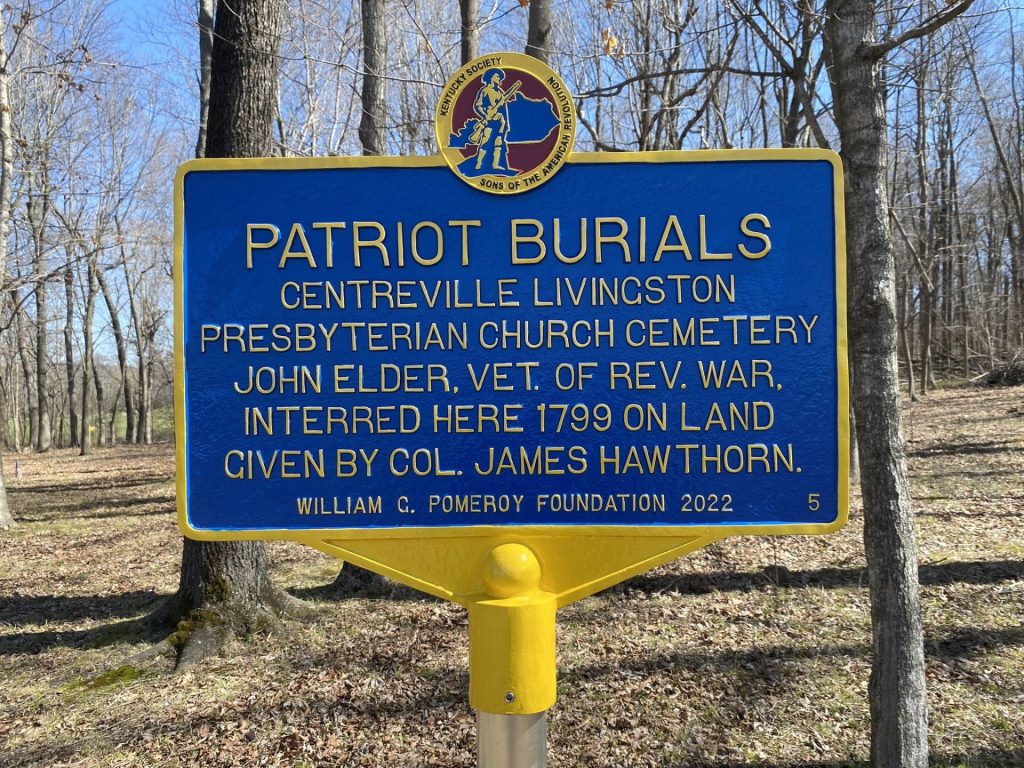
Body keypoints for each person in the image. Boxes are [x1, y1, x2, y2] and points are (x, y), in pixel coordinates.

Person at [471, 68, 517, 172]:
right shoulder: (484, 90)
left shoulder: (500, 92)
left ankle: (495, 165)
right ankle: (478, 164)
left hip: (500, 121)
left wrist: (505, 125)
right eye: (497, 76)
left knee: (498, 142)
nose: (499, 79)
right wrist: (486, 115)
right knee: (485, 141)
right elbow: (478, 105)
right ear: (491, 77)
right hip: (489, 121)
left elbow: (504, 109)